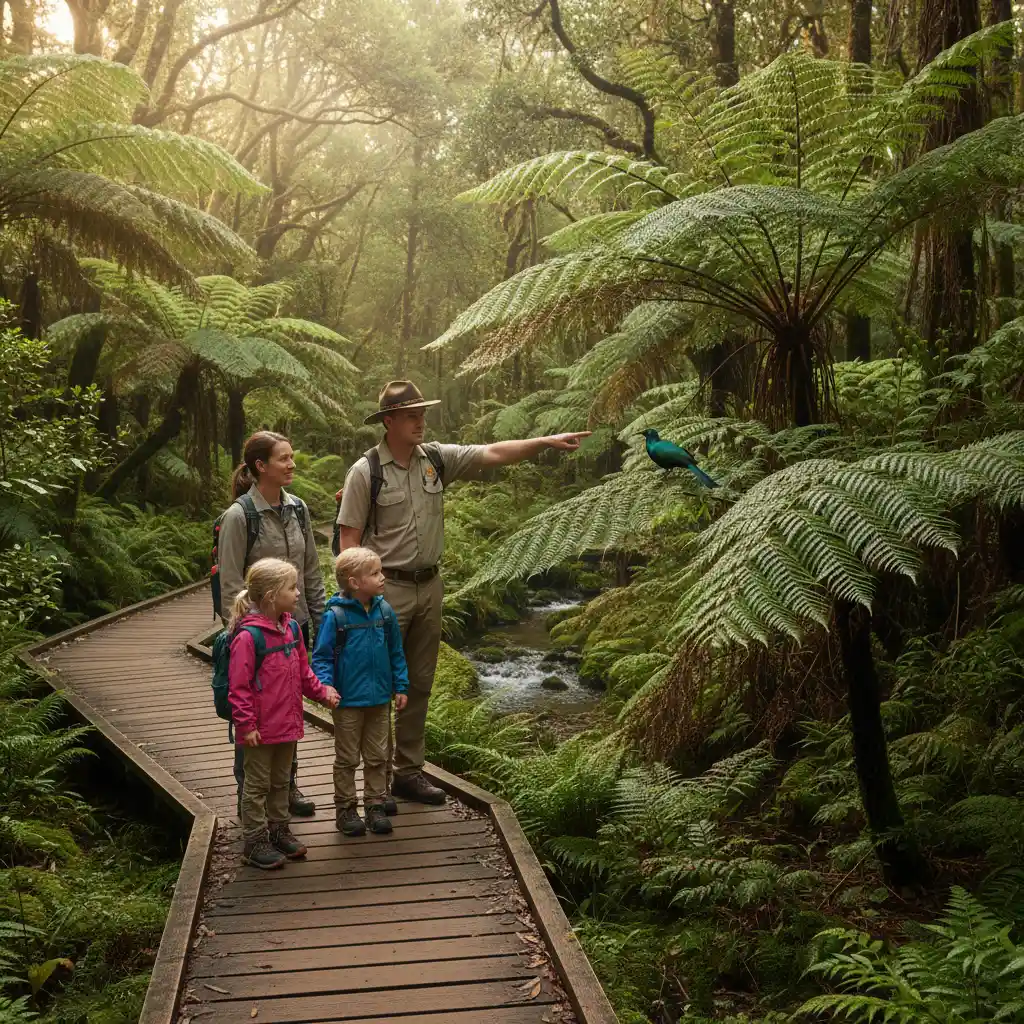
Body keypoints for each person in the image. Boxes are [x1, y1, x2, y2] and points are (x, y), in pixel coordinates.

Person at [337, 380, 589, 805]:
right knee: (378, 686)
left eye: (422, 414)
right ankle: (375, 783)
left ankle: (408, 773)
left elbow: (491, 452)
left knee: (419, 683)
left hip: (429, 587)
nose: (421, 422)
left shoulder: (436, 459)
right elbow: (349, 542)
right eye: (412, 416)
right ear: (389, 421)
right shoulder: (366, 471)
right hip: (384, 592)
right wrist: (357, 601)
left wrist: (544, 442)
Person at [218, 431, 326, 818]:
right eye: (284, 458)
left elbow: (310, 570)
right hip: (257, 637)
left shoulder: (298, 509)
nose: (291, 464)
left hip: (295, 628)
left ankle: (287, 785)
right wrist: (245, 632)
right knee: (255, 708)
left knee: (287, 705)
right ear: (261, 466)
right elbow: (231, 583)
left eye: (292, 457)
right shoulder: (240, 516)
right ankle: (249, 794)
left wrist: (321, 620)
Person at [227, 558, 339, 870]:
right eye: (292, 588)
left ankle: (278, 830)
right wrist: (246, 725)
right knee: (257, 786)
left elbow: (303, 672)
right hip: (259, 729)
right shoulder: (248, 637)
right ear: (272, 596)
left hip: (287, 723)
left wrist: (322, 693)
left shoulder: (291, 629)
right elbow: (239, 687)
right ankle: (254, 841)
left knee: (281, 781)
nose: (298, 592)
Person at [312, 547, 410, 837]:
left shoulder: (384, 611)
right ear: (355, 582)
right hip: (348, 701)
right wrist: (326, 685)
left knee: (378, 755)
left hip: (379, 699)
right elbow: (322, 656)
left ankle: (375, 804)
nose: (383, 577)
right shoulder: (336, 616)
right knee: (347, 758)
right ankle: (345, 808)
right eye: (375, 573)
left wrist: (401, 685)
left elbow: (396, 651)